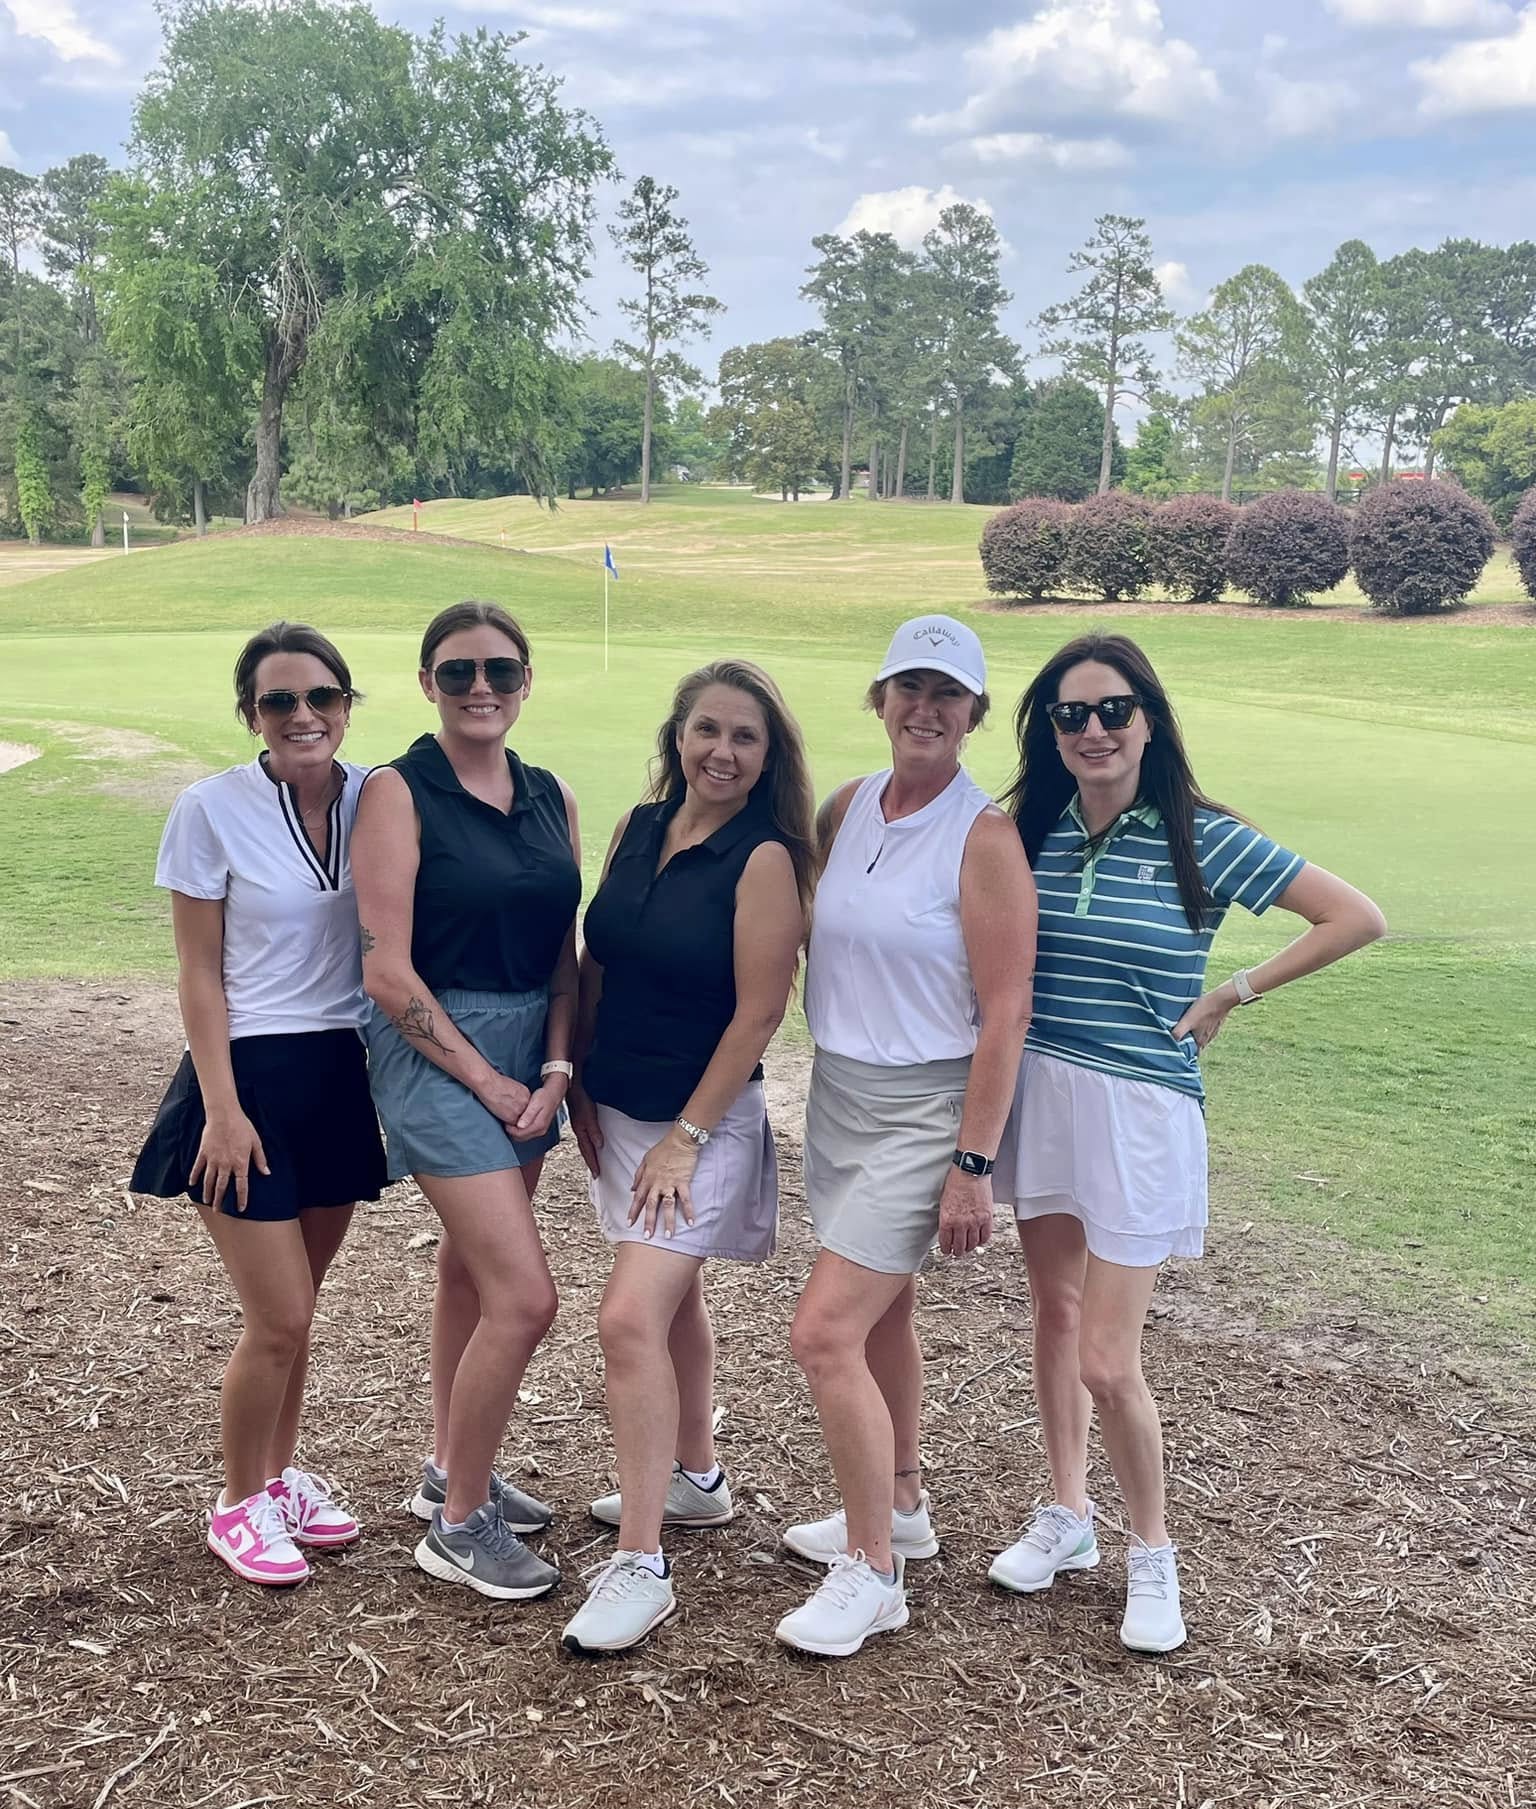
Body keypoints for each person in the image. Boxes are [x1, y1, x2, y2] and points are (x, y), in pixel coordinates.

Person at [989, 633, 1386, 1654]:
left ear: (1150, 720)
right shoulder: (1030, 829)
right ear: (1050, 733)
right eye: (1070, 715)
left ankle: (1152, 1552)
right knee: (1054, 1313)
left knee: (1107, 1358)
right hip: (1044, 1090)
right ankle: (1068, 1512)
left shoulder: (1203, 836)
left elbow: (1354, 917)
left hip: (1139, 1113)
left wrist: (1233, 990)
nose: (1093, 730)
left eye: (1113, 709)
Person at [775, 615, 1036, 1659]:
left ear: (974, 715)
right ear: (880, 700)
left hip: (929, 1106)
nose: (925, 709)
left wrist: (973, 1162)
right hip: (840, 1093)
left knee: (823, 1333)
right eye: (909, 688)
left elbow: (1006, 1010)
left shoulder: (984, 837)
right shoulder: (847, 808)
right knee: (883, 1315)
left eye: (948, 694)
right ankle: (902, 1502)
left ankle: (874, 1570)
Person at [561, 660, 815, 1654]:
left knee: (628, 1317)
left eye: (745, 736)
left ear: (768, 754)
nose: (722, 750)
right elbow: (598, 958)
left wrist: (685, 1140)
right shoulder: (637, 825)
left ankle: (642, 1561)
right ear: (677, 734)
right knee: (671, 1303)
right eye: (707, 729)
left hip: (700, 1125)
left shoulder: (765, 859)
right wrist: (576, 1073)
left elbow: (759, 1013)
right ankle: (696, 1476)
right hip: (619, 1107)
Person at [130, 623, 386, 1587]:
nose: (302, 714)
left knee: (301, 1312)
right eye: (279, 700)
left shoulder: (374, 798)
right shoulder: (210, 807)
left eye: (321, 696)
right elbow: (198, 972)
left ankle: (277, 1479)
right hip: (243, 1080)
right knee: (276, 1317)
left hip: (337, 1073)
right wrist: (223, 1111)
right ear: (251, 715)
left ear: (347, 705)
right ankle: (237, 1502)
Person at [351, 600, 581, 1605]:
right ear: (426, 684)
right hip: (438, 1049)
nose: (480, 688)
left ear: (526, 680)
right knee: (525, 1297)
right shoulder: (398, 791)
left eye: (499, 670)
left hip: (534, 1047)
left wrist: (558, 1067)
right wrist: (487, 1079)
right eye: (457, 672)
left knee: (470, 1270)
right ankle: (458, 1526)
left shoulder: (550, 792)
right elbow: (385, 971)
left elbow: (564, 951)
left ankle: (452, 1466)